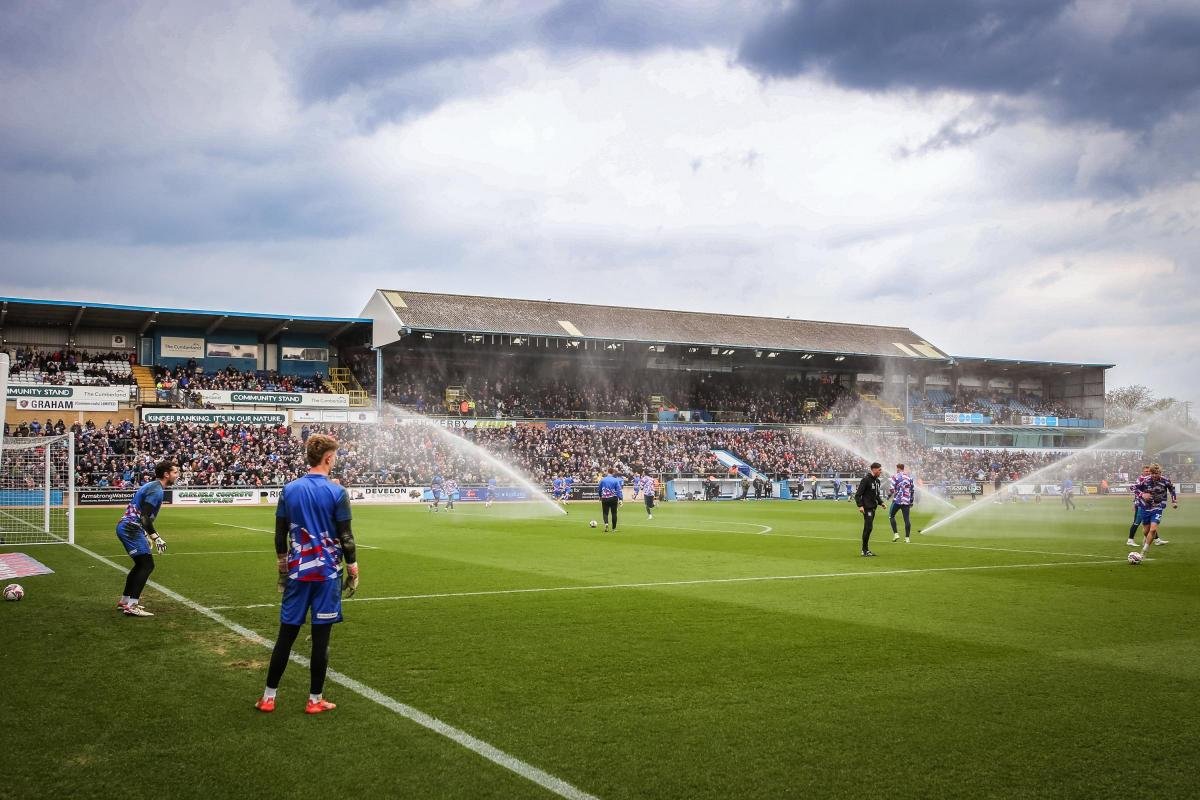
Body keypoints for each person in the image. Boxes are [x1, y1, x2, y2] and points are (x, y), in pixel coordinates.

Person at [256, 434, 358, 715]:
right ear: (328, 458)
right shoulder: (337, 492)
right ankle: (314, 700)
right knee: (321, 639)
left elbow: (279, 534)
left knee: (285, 637)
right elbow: (346, 536)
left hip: (297, 572)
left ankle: (268, 697)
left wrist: (282, 566)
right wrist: (353, 567)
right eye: (334, 457)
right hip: (326, 574)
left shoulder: (289, 489)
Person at [114, 460, 178, 617]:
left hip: (129, 527)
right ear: (166, 474)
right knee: (147, 565)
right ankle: (132, 605)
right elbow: (144, 517)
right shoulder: (156, 491)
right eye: (175, 472)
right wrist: (156, 538)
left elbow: (139, 513)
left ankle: (125, 601)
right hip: (131, 528)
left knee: (140, 565)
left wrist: (145, 534)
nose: (177, 475)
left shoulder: (152, 486)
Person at [1134, 464, 1178, 560]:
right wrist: (1142, 494)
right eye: (1152, 473)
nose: (1154, 475)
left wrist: (1174, 501)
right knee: (1146, 530)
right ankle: (1147, 538)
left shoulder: (1165, 480)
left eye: (1156, 473)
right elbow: (1133, 488)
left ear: (1160, 473)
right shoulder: (1144, 480)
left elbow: (1172, 490)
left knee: (1153, 529)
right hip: (1145, 507)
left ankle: (1144, 551)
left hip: (1158, 507)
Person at [854, 462, 884, 557]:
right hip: (867, 508)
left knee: (869, 528)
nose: (880, 471)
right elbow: (858, 495)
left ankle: (865, 550)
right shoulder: (866, 480)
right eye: (879, 470)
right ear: (874, 469)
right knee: (868, 527)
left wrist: (881, 502)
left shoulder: (877, 481)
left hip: (873, 507)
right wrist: (860, 506)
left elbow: (876, 495)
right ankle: (864, 550)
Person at [1126, 465, 1152, 547]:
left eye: (1148, 471)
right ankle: (1130, 540)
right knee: (1137, 522)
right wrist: (1135, 503)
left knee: (1150, 521)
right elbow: (1135, 491)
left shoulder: (1149, 479)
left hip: (1147, 504)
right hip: (1140, 504)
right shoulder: (1140, 480)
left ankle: (1156, 539)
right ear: (1142, 472)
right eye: (1146, 471)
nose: (1148, 472)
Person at [888, 463, 915, 543]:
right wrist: (911, 501)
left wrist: (888, 496)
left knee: (891, 516)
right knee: (906, 519)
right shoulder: (909, 478)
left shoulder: (895, 477)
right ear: (903, 468)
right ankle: (907, 538)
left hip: (897, 500)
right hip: (906, 501)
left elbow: (892, 489)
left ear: (898, 468)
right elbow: (912, 490)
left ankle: (896, 534)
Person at [598, 466, 623, 532]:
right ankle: (613, 528)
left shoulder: (603, 480)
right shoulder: (615, 480)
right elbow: (619, 490)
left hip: (605, 498)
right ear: (613, 473)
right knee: (614, 513)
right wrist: (620, 499)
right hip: (613, 498)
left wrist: (600, 496)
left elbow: (599, 489)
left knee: (605, 513)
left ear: (607, 472)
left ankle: (606, 524)